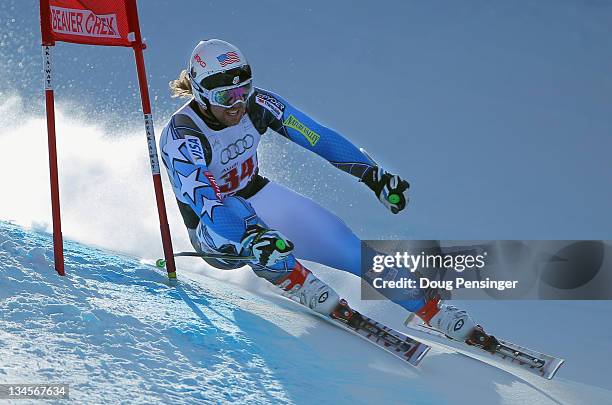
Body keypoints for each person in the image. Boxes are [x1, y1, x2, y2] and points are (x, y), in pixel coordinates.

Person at [159, 39, 479, 342]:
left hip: (256, 194)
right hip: (214, 233)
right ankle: (301, 283)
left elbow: (318, 137)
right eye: (226, 98)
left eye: (243, 91)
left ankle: (430, 308)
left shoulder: (260, 105)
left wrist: (373, 176)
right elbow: (206, 204)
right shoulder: (182, 136)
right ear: (202, 95)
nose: (238, 104)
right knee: (247, 218)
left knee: (349, 246)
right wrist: (249, 237)